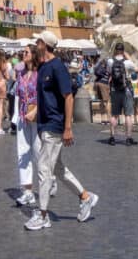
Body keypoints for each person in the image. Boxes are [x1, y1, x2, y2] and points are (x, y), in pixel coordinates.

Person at [24, 31, 98, 232]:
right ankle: (85, 197)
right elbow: (46, 97)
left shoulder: (57, 67)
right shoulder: (44, 66)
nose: (35, 42)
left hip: (55, 125)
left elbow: (68, 97)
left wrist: (67, 128)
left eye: (38, 41)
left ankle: (43, 214)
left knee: (43, 169)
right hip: (44, 124)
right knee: (57, 169)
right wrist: (36, 113)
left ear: (44, 45)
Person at [14, 44, 47, 207]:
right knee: (22, 153)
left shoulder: (39, 73)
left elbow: (45, 95)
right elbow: (18, 96)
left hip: (37, 116)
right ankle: (27, 191)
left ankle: (48, 181)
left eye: (26, 52)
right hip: (22, 116)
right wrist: (16, 117)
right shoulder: (21, 72)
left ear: (33, 55)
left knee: (37, 151)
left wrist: (36, 110)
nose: (23, 54)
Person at [107, 42, 137, 146]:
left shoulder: (110, 61)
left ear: (115, 50)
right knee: (128, 115)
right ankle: (128, 138)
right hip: (126, 90)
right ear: (123, 51)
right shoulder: (128, 63)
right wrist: (128, 57)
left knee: (114, 115)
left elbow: (109, 72)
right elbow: (136, 70)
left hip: (115, 90)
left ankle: (112, 137)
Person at [93, 55, 111, 124]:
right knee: (107, 102)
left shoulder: (99, 66)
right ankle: (109, 119)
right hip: (104, 84)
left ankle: (103, 119)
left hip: (98, 83)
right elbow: (110, 76)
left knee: (101, 102)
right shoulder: (108, 67)